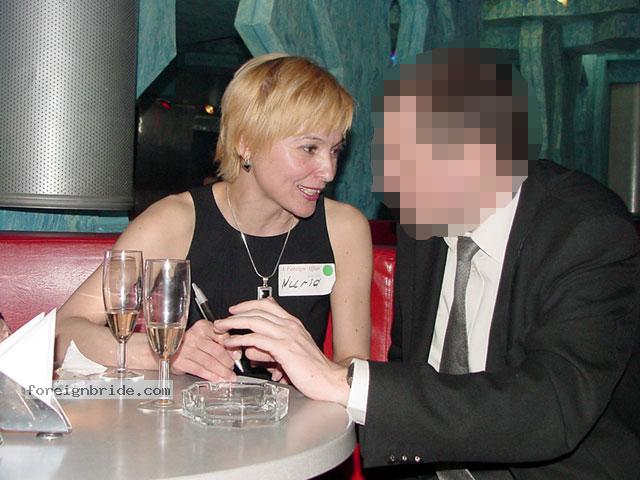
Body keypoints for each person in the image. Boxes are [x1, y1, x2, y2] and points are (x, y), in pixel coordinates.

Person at [215, 48, 640, 478]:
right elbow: (412, 367)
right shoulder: (423, 224)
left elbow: (551, 406)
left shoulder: (587, 233)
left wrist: (340, 381)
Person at [55, 53, 372, 381]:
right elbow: (62, 331)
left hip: (295, 413)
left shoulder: (344, 229)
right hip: (189, 411)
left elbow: (355, 365)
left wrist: (310, 366)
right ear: (246, 144)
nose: (328, 171)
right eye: (309, 149)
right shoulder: (176, 221)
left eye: (335, 150)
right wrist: (166, 351)